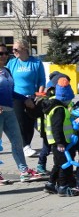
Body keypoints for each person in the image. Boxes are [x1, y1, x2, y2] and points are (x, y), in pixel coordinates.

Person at [0, 45, 35, 183]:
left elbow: (11, 92)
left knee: (17, 141)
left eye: (5, 53)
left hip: (9, 111)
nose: (4, 56)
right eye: (0, 53)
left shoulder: (7, 71)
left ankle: (24, 171)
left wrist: (24, 99)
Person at [7, 39, 46, 159]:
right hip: (17, 96)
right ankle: (24, 146)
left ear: (24, 49)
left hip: (32, 96)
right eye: (12, 49)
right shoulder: (12, 63)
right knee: (20, 122)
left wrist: (38, 95)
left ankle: (27, 145)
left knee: (30, 123)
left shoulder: (35, 63)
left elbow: (41, 80)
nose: (13, 51)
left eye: (16, 49)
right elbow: (7, 79)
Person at [43, 78, 79, 197]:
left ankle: (50, 184)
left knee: (58, 164)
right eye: (69, 99)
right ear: (65, 98)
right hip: (60, 143)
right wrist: (60, 143)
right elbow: (57, 127)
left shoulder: (56, 107)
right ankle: (63, 187)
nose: (70, 101)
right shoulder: (59, 110)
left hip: (58, 142)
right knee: (65, 164)